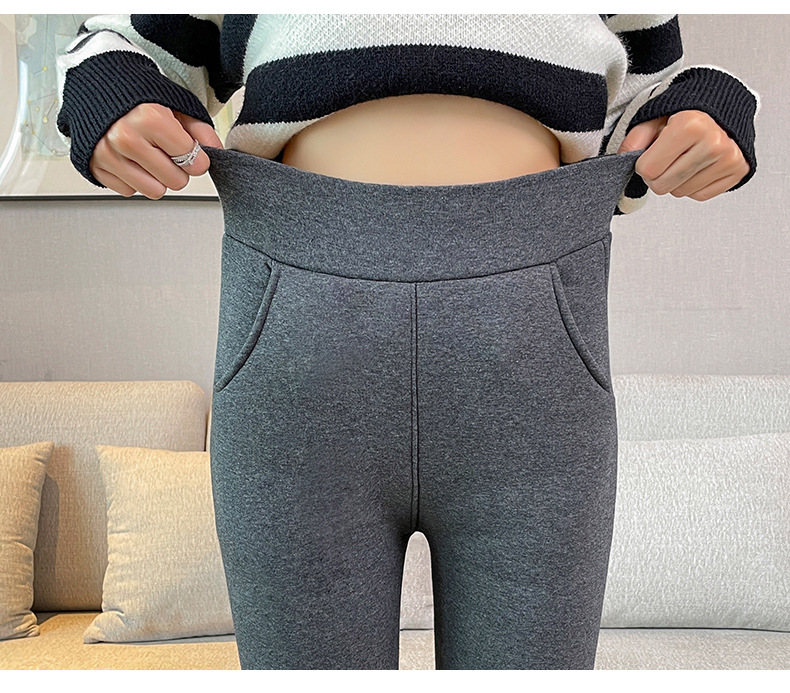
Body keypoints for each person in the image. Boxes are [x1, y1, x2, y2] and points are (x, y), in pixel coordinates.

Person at [55, 14, 760, 670]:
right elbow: (124, 42)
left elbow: (645, 95)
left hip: (529, 357)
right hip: (303, 345)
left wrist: (705, 108)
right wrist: (110, 91)